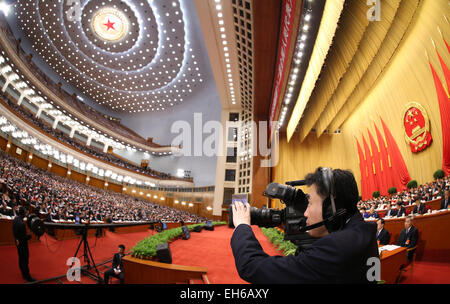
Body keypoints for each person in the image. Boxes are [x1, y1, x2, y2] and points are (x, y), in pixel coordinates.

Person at [230, 167, 379, 283]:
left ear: (330, 209)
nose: (305, 213)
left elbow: (252, 266)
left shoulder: (336, 249)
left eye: (310, 203)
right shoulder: (363, 231)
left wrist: (242, 224)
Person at [12, 206, 35, 282]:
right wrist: (30, 235)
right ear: (23, 214)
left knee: (21, 258)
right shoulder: (21, 224)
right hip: (22, 244)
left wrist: (16, 239)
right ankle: (27, 276)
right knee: (25, 260)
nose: (26, 214)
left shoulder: (16, 219)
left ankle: (23, 273)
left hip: (18, 242)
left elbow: (15, 232)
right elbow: (24, 237)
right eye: (25, 212)